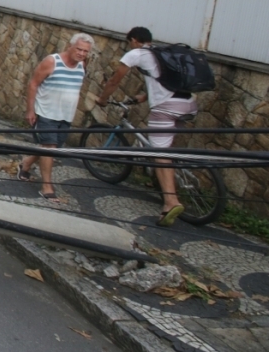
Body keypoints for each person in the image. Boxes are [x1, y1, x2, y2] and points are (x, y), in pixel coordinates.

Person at [96, 26, 198, 227]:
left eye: (129, 42)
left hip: (166, 108)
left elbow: (115, 81)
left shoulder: (137, 53)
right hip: (188, 104)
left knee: (158, 154)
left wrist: (103, 99)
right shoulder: (162, 53)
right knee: (166, 149)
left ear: (133, 40)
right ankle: (170, 179)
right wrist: (141, 97)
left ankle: (171, 202)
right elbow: (163, 84)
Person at [18, 33, 94, 201]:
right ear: (70, 46)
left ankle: (27, 163)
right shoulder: (52, 61)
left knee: (51, 149)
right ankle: (47, 187)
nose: (81, 54)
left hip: (66, 116)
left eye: (85, 51)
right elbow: (33, 84)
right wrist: (30, 110)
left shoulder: (82, 65)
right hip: (46, 112)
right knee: (49, 147)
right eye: (79, 49)